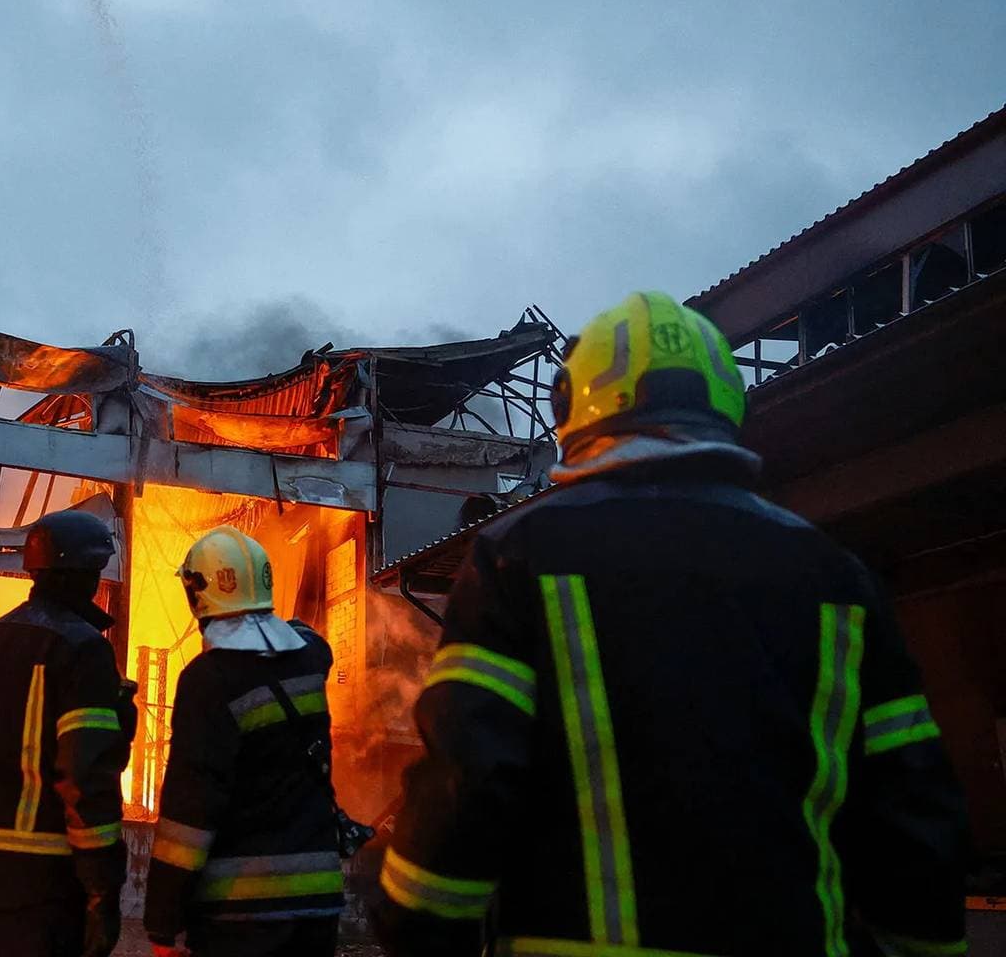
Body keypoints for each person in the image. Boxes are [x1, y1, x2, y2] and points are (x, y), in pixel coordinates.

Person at [375, 290, 970, 956]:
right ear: (728, 403)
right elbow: (912, 805)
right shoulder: (837, 577)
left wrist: (412, 923)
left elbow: (469, 781)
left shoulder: (521, 556)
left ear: (571, 408)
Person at [0, 508, 138, 957]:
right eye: (96, 571)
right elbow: (85, 779)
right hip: (45, 888)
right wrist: (102, 889)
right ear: (83, 575)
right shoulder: (85, 650)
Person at [144, 526, 346, 957]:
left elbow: (190, 812)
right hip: (318, 904)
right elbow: (310, 638)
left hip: (239, 916)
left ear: (196, 593)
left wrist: (162, 920)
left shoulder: (206, 680)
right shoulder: (309, 657)